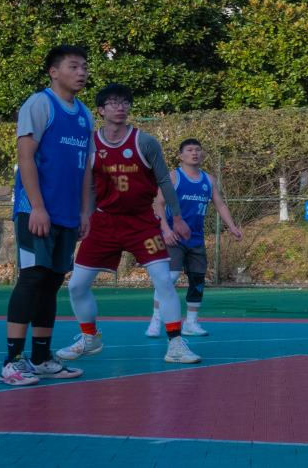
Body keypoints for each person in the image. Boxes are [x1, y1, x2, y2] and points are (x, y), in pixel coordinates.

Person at [57, 83, 201, 365]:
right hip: (103, 222)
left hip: (141, 222)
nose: (120, 107)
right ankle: (90, 338)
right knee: (76, 286)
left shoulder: (145, 142)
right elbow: (88, 186)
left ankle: (175, 344)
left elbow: (164, 180)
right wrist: (84, 216)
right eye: (113, 102)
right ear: (101, 110)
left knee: (164, 281)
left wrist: (177, 217)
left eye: (124, 102)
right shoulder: (90, 143)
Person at [0, 45, 94, 387]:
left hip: (68, 215)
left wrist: (84, 211)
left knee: (52, 283)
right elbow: (25, 157)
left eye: (84, 67)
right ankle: (11, 362)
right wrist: (37, 207)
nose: (81, 72)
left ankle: (41, 358)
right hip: (35, 211)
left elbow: (85, 169)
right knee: (32, 277)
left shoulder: (85, 114)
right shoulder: (39, 104)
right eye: (74, 66)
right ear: (54, 72)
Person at [146, 138, 243, 338]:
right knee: (169, 278)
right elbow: (158, 203)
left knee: (197, 280)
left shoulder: (209, 180)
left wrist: (232, 226)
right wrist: (166, 230)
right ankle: (156, 320)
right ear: (181, 156)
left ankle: (191, 323)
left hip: (196, 239)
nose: (194, 153)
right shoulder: (173, 177)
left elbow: (220, 204)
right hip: (173, 237)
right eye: (189, 150)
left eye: (198, 149)